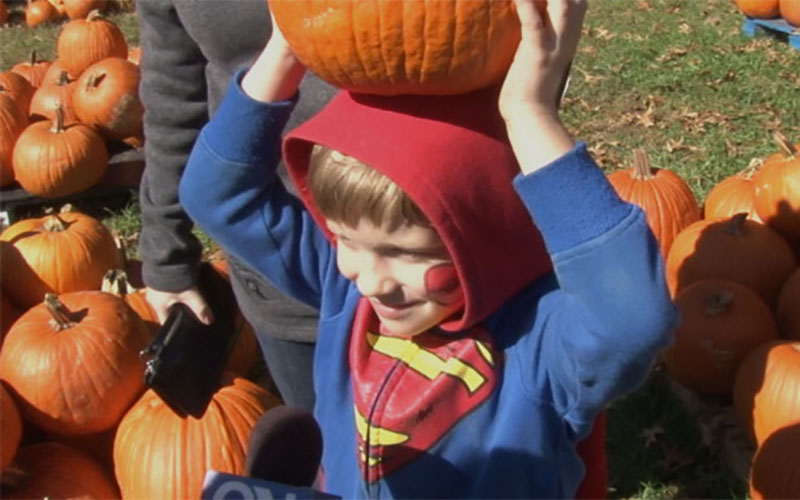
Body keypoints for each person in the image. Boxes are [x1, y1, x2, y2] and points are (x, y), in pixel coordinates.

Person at [179, 0, 679, 497]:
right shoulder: (345, 293)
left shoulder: (537, 345)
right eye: (345, 238)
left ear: (490, 232)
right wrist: (286, 50)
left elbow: (634, 319)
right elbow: (215, 195)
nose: (372, 280)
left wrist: (530, 115)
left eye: (409, 254)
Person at [135, 0, 335, 412]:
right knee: (329, 435)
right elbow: (173, 90)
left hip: (432, 239)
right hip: (282, 245)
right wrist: (166, 253)